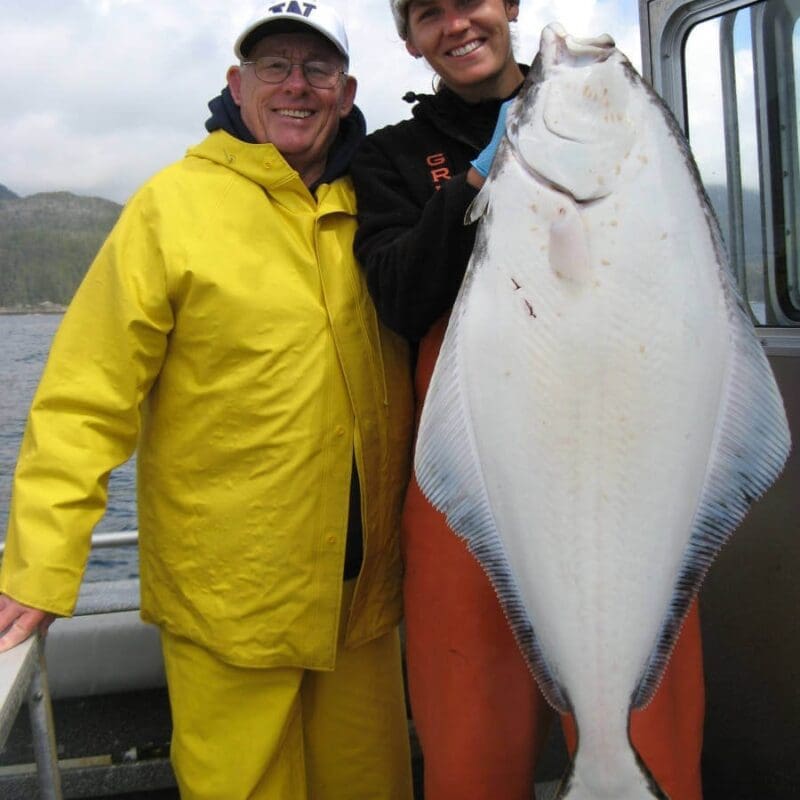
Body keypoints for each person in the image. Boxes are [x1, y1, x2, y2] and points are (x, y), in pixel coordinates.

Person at [0, 4, 416, 799]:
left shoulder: (380, 206)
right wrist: (39, 569)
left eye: (317, 68)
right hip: (231, 608)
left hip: (363, 608)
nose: (297, 85)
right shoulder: (171, 206)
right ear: (236, 83)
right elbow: (85, 400)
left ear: (347, 89)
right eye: (274, 66)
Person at [350, 1, 706, 799]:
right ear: (408, 39)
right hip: (478, 492)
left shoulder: (626, 124)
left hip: (628, 481)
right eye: (427, 13)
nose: (456, 25)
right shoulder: (390, 161)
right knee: (472, 766)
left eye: (470, 1)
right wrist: (484, 175)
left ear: (508, 6)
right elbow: (401, 298)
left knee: (657, 756)